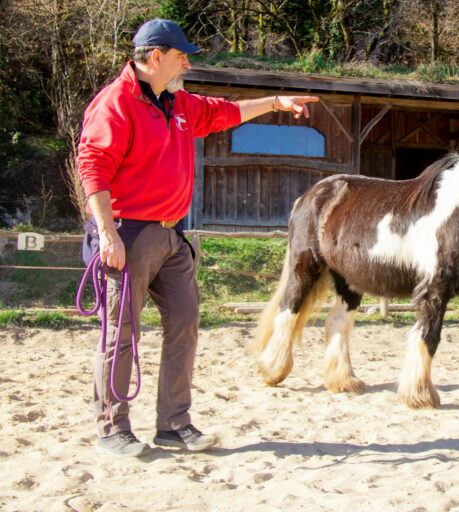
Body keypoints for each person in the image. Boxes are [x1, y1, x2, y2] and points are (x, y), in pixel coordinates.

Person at [77, 18, 318, 458]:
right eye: (181, 55)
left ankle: (174, 423)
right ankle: (112, 425)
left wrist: (277, 102)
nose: (187, 63)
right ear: (156, 57)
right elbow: (93, 166)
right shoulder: (115, 103)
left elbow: (228, 111)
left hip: (172, 234)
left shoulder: (181, 103)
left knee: (185, 325)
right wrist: (108, 233)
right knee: (121, 334)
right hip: (127, 233)